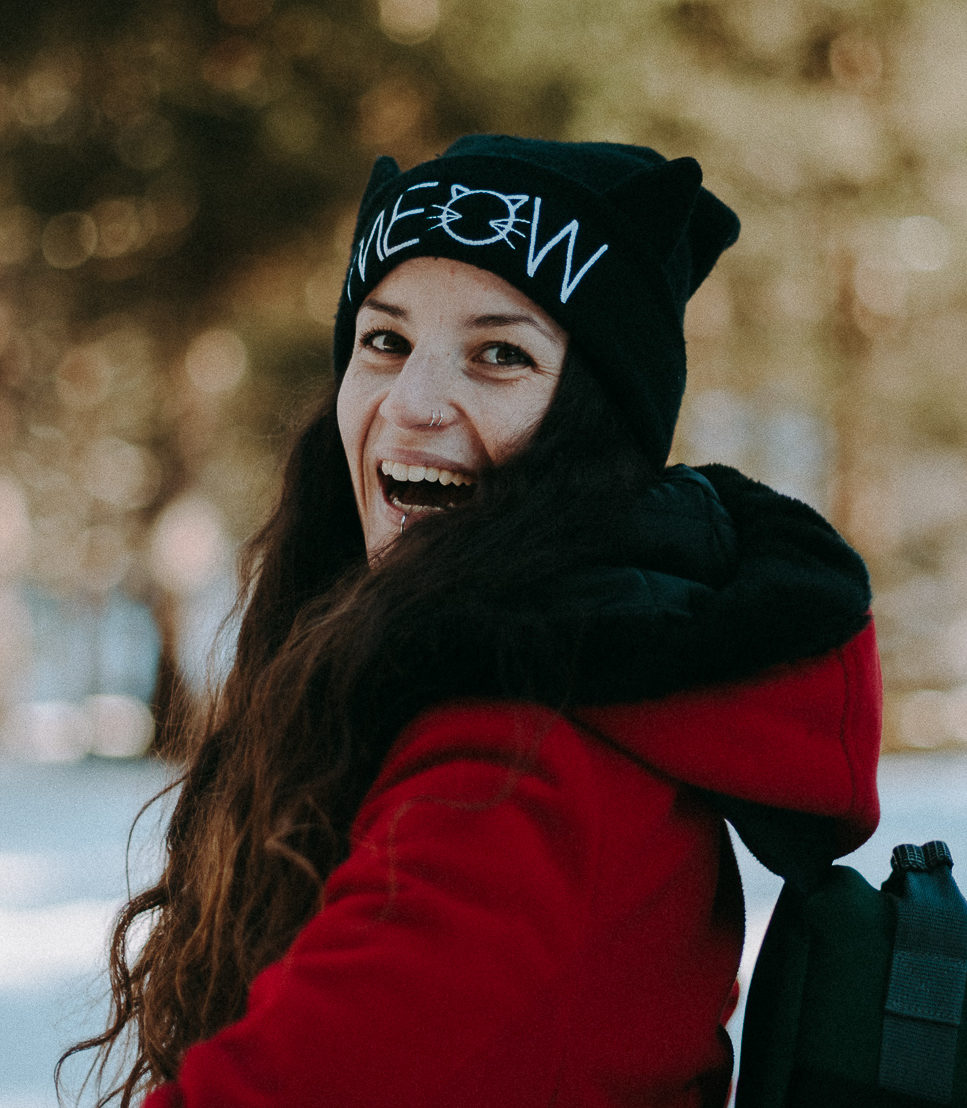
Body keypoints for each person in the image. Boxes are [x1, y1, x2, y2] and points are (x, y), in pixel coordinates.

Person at [63, 135, 882, 1107]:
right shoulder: (496, 688)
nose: (412, 402)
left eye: (500, 353)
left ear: (594, 425)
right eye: (385, 340)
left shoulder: (522, 765)